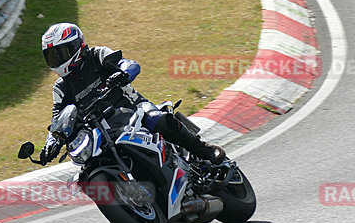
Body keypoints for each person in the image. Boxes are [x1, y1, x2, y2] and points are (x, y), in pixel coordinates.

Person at [39, 22, 226, 165]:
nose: (56, 60)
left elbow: (129, 64)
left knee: (157, 120)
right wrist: (50, 145)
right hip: (103, 130)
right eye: (52, 56)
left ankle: (203, 150)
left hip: (134, 109)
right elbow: (57, 120)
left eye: (60, 53)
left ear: (76, 47)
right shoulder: (60, 88)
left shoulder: (97, 55)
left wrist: (123, 74)